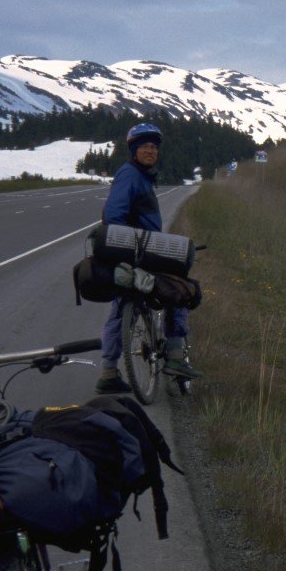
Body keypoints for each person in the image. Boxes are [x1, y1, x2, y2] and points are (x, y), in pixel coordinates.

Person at [95, 122, 202, 394]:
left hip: (137, 249)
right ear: (133, 150)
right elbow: (114, 215)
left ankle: (108, 372)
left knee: (120, 309)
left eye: (154, 147)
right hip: (137, 251)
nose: (150, 151)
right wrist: (127, 246)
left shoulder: (140, 176)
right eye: (144, 146)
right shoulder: (130, 175)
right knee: (178, 289)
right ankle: (176, 357)